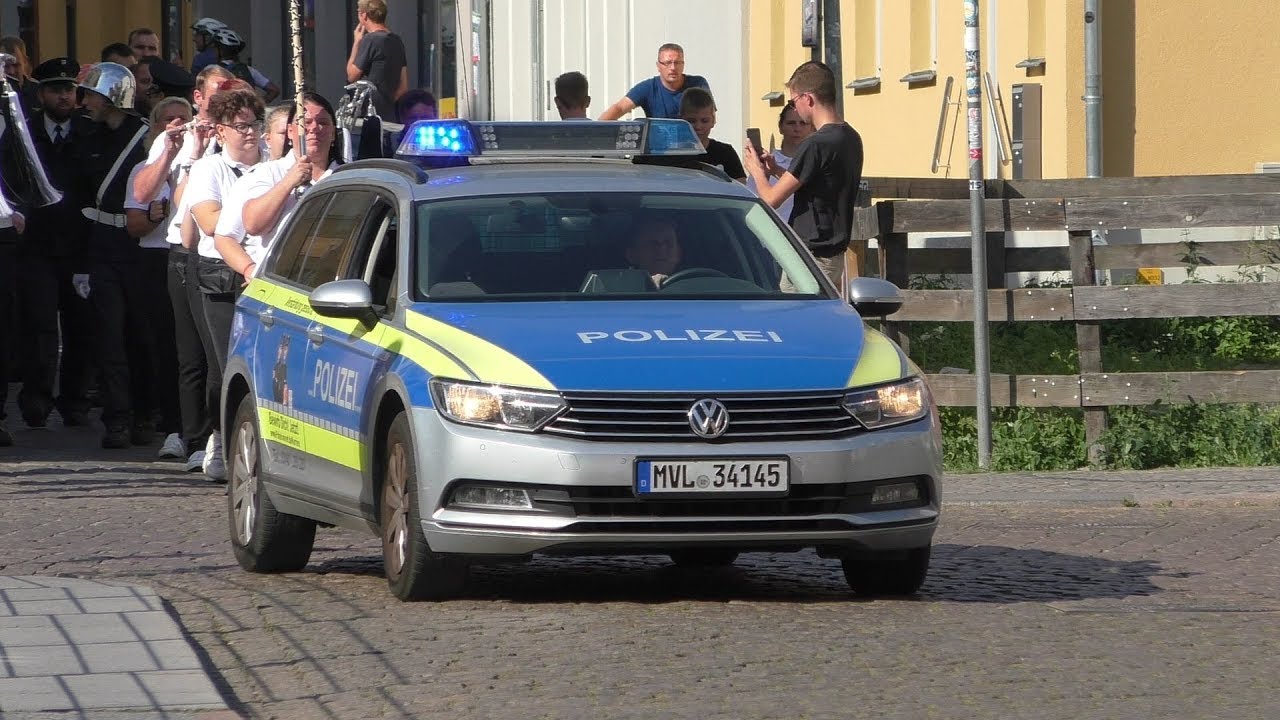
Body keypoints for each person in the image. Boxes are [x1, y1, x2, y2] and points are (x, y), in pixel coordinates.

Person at [183, 82, 266, 481]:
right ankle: (220, 435)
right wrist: (254, 205)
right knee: (222, 365)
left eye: (254, 124)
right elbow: (212, 223)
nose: (249, 132)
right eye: (240, 125)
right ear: (220, 131)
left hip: (263, 270)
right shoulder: (208, 170)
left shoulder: (272, 166)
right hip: (219, 275)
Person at [74, 62, 155, 448]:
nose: (85, 101)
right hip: (101, 244)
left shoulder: (144, 138)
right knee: (108, 336)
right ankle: (117, 419)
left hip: (137, 245)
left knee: (141, 334)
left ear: (111, 98)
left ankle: (145, 413)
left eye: (91, 94)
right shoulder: (87, 136)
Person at [13, 57, 96, 429]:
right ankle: (37, 396)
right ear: (41, 94)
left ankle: (75, 399)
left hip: (80, 246)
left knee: (81, 327)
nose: (65, 97)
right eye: (56, 90)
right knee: (41, 327)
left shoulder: (88, 131)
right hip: (38, 246)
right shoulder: (23, 133)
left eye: (69, 90)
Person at [743, 61, 864, 289]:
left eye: (794, 101)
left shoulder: (816, 144)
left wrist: (756, 170)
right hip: (832, 253)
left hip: (812, 257)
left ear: (808, 99)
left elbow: (771, 199)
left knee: (794, 320)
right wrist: (776, 170)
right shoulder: (849, 137)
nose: (795, 108)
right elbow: (817, 185)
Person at [123, 96, 194, 460]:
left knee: (193, 352)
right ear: (155, 127)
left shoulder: (201, 165)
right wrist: (157, 214)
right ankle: (171, 425)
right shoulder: (145, 167)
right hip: (154, 259)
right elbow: (135, 223)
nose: (176, 126)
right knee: (163, 348)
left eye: (183, 119)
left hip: (192, 258)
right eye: (167, 120)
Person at [599, 43, 709, 120]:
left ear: (683, 64)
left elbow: (708, 114)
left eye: (677, 63)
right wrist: (594, 131)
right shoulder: (648, 88)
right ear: (658, 66)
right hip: (658, 149)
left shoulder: (698, 85)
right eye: (667, 63)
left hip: (692, 146)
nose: (673, 68)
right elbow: (620, 107)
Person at [747, 100, 814, 224]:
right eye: (791, 123)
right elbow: (751, 200)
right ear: (781, 127)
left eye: (803, 123)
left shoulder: (813, 161)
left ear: (811, 128)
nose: (797, 128)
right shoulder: (767, 162)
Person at [347, 0, 408, 121]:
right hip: (389, 114)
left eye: (359, 12)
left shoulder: (371, 40)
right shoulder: (397, 41)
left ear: (364, 15)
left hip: (368, 114)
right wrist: (386, 104)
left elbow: (352, 75)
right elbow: (403, 87)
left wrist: (357, 42)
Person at [678, 87, 744, 182]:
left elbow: (740, 189)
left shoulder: (726, 153)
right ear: (681, 120)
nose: (698, 126)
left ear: (713, 121)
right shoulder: (671, 154)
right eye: (691, 121)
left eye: (704, 121)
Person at [210, 28, 280, 103]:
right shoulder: (249, 70)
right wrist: (257, 106)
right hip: (246, 112)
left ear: (220, 50)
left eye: (215, 48)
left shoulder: (210, 70)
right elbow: (274, 90)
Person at [625, 217, 682, 287]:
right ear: (631, 255)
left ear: (679, 253)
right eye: (652, 243)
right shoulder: (616, 293)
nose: (661, 249)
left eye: (668, 242)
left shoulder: (696, 288)